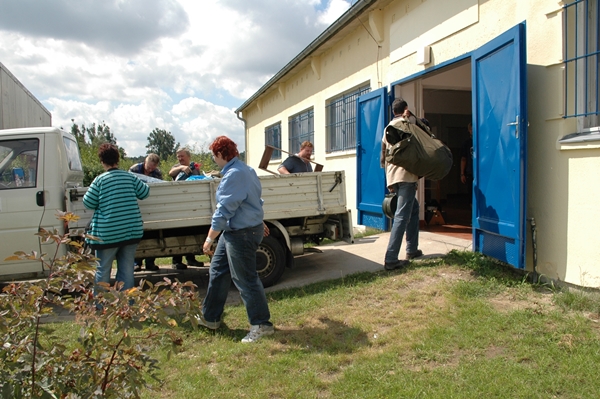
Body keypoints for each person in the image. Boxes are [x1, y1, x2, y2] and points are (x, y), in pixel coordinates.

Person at [196, 135, 274, 343]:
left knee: (245, 279)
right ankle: (210, 318)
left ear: (221, 154)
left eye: (214, 156)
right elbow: (254, 200)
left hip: (242, 233)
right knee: (218, 271)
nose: (214, 160)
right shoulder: (245, 170)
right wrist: (258, 220)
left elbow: (225, 209)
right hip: (238, 230)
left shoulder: (234, 175)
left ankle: (261, 325)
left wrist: (209, 238)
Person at [83, 143, 150, 294]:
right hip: (131, 231)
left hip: (107, 234)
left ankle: (100, 307)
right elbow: (145, 193)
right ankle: (127, 306)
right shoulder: (130, 177)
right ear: (118, 160)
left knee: (103, 271)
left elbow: (88, 202)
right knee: (126, 270)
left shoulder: (100, 180)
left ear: (102, 161)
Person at [380, 99, 423, 271]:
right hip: (406, 176)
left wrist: (389, 182)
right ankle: (391, 259)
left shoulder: (387, 128)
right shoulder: (405, 125)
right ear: (405, 109)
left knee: (413, 209)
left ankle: (412, 249)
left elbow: (383, 155)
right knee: (401, 216)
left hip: (394, 177)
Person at [168, 147, 203, 269]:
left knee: (191, 232)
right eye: (178, 156)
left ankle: (191, 259)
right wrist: (182, 168)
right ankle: (176, 261)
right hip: (178, 206)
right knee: (179, 233)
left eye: (182, 156)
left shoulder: (195, 169)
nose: (180, 158)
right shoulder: (176, 167)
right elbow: (170, 173)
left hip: (192, 205)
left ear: (188, 156)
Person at [129, 153, 163, 271]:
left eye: (152, 168)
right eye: (148, 167)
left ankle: (150, 263)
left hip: (152, 206)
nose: (150, 170)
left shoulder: (157, 173)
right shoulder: (134, 170)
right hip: (137, 204)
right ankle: (136, 263)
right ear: (145, 162)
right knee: (138, 235)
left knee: (152, 234)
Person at [460, 122, 473, 205]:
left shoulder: (483, 141)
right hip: (470, 172)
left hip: (482, 172)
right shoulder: (467, 143)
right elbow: (463, 159)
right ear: (469, 130)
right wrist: (462, 174)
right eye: (471, 129)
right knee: (471, 195)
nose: (473, 131)